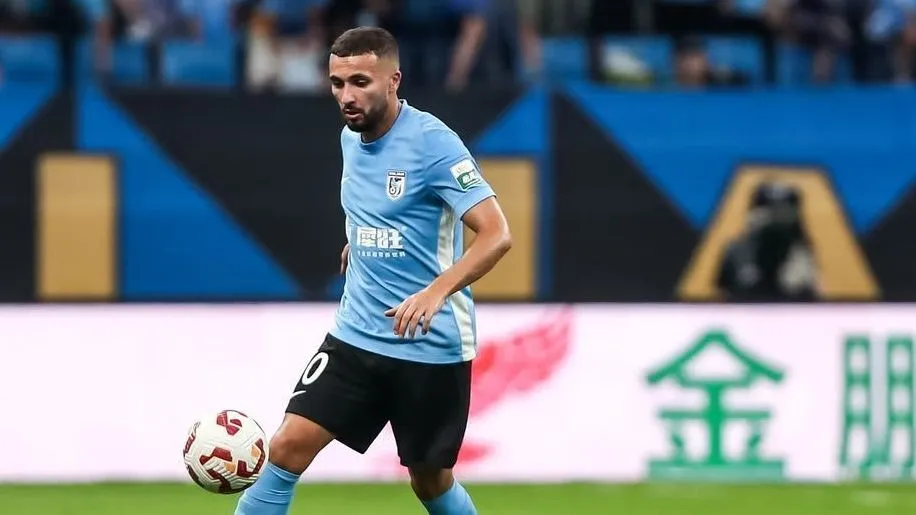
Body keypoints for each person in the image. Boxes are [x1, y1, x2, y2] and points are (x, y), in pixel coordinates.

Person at [233, 26, 512, 515]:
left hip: (428, 344)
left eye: (360, 82)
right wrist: (359, 240)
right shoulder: (350, 137)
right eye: (337, 83)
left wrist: (435, 292)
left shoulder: (433, 143)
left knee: (429, 480)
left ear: (393, 80)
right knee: (286, 447)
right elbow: (383, 210)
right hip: (356, 336)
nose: (347, 96)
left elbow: (496, 234)